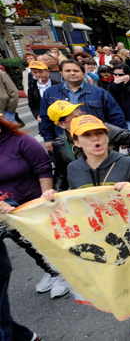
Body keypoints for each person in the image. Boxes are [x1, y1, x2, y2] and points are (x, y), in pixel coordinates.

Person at [43, 115, 130, 340]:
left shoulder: (129, 164)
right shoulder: (74, 168)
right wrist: (53, 197)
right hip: (103, 237)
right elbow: (75, 202)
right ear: (76, 142)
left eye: (100, 133)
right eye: (88, 135)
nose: (96, 139)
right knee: (122, 276)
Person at [0, 116, 70, 299]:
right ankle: (51, 271)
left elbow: (43, 169)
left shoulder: (21, 141)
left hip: (34, 202)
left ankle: (65, 273)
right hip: (7, 209)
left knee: (47, 239)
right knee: (26, 243)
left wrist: (44, 202)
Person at [47, 100, 130, 191]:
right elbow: (62, 173)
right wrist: (55, 196)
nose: (95, 138)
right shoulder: (62, 148)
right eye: (86, 135)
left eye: (81, 114)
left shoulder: (128, 164)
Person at [40, 59, 128, 152]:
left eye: (76, 71)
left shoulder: (99, 92)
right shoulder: (50, 93)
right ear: (61, 73)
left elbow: (115, 115)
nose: (72, 73)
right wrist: (48, 139)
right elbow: (45, 118)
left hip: (97, 141)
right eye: (68, 71)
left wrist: (122, 137)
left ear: (83, 72)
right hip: (67, 143)